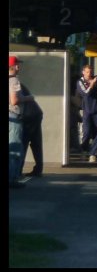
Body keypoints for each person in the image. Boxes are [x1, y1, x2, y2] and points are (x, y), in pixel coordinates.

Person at [9, 55, 37, 188]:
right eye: (18, 64)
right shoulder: (14, 80)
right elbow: (14, 100)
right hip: (14, 116)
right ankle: (12, 178)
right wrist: (29, 98)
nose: (19, 67)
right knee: (15, 150)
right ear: (14, 66)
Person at [76, 65, 97, 163]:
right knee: (87, 132)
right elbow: (85, 93)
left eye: (91, 72)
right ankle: (84, 150)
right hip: (87, 111)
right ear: (83, 72)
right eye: (87, 72)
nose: (89, 74)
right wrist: (91, 84)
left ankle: (93, 154)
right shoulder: (80, 82)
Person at [18, 77, 44, 177]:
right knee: (36, 142)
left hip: (27, 115)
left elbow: (14, 100)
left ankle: (17, 170)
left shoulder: (12, 82)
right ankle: (38, 169)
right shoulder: (18, 83)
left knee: (22, 142)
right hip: (36, 112)